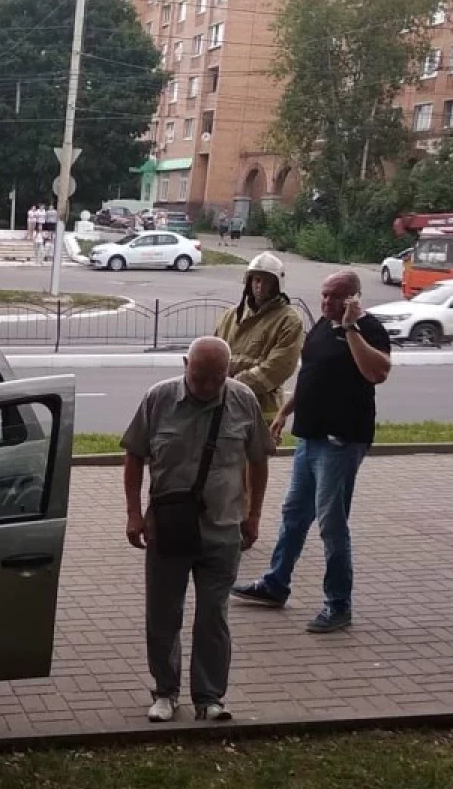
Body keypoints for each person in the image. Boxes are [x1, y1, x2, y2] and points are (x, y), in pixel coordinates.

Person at [231, 270, 392, 633]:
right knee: (294, 513)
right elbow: (311, 374)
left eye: (336, 296)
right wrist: (285, 412)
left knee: (331, 524)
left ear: (353, 298)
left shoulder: (369, 329)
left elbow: (377, 373)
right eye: (324, 295)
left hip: (341, 441)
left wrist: (350, 329)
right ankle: (276, 583)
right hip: (310, 438)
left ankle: (338, 604)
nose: (327, 302)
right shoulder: (321, 325)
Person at [122, 336, 271, 723]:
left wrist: (253, 515)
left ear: (228, 371)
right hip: (168, 529)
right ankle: (165, 691)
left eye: (216, 378)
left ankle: (209, 697)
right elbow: (134, 456)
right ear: (185, 365)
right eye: (199, 377)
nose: (206, 386)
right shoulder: (158, 399)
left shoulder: (243, 400)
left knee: (213, 615)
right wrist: (134, 514)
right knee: (163, 614)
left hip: (223, 529)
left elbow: (258, 461)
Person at [214, 252, 305, 424]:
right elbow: (214, 353)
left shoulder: (289, 320)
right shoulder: (231, 315)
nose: (260, 286)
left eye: (267, 281)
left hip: (262, 411)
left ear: (277, 285)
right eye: (256, 280)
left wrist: (232, 385)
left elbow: (278, 368)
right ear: (248, 281)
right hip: (226, 406)